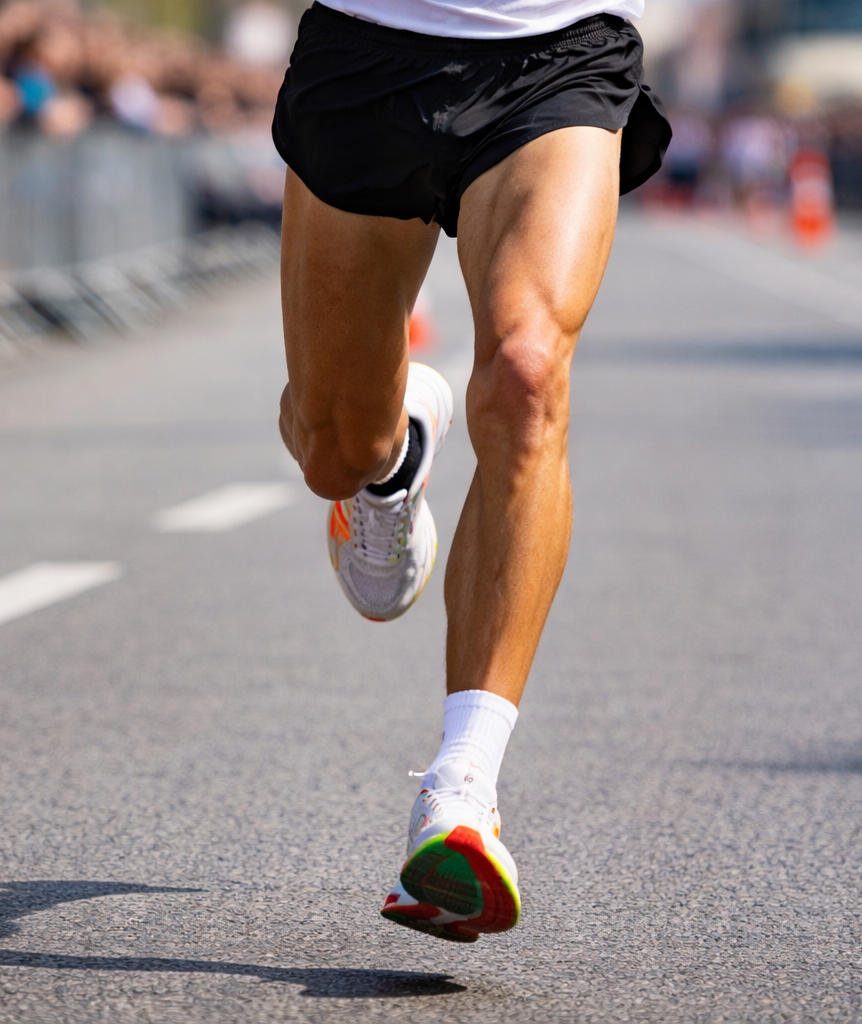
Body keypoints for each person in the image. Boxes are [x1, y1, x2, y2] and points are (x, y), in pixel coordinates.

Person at [272, 0, 668, 942]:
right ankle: (390, 462)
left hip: (559, 51)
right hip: (369, 49)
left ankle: (462, 790)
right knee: (334, 448)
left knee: (527, 379)